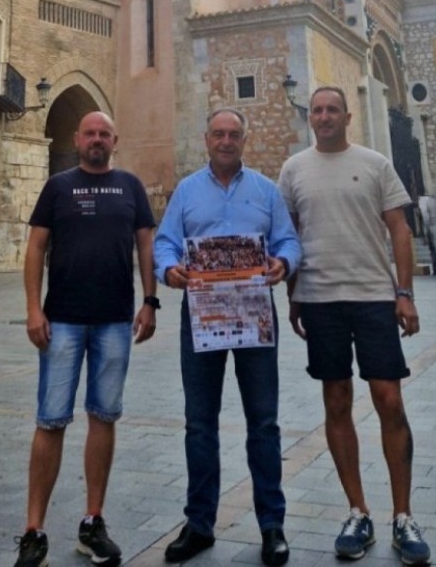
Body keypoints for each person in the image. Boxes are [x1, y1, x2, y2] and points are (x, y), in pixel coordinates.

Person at [278, 87, 431, 565]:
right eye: (317, 110)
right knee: (337, 400)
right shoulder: (293, 169)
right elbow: (289, 234)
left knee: (389, 398)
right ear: (312, 118)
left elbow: (399, 230)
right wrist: (294, 293)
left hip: (373, 298)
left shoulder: (375, 163)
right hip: (320, 299)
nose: (323, 117)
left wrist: (404, 293)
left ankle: (403, 516)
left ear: (347, 116)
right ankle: (357, 511)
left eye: (331, 110)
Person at [154, 108, 301, 566]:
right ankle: (199, 524)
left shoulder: (265, 190)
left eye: (233, 134)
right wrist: (169, 270)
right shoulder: (186, 191)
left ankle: (271, 525)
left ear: (243, 140)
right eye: (218, 133)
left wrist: (283, 263)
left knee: (264, 422)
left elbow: (289, 241)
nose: (225, 141)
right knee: (199, 422)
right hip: (201, 314)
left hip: (254, 314)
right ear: (206, 139)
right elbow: (165, 242)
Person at [15, 111, 158, 567]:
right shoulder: (58, 186)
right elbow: (36, 246)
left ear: (115, 140)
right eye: (89, 133)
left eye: (104, 134)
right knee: (50, 419)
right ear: (77, 140)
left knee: (104, 416)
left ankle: (92, 522)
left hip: (115, 321)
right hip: (63, 322)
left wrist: (150, 301)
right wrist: (34, 308)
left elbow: (146, 245)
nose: (97, 140)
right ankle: (33, 530)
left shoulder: (131, 187)